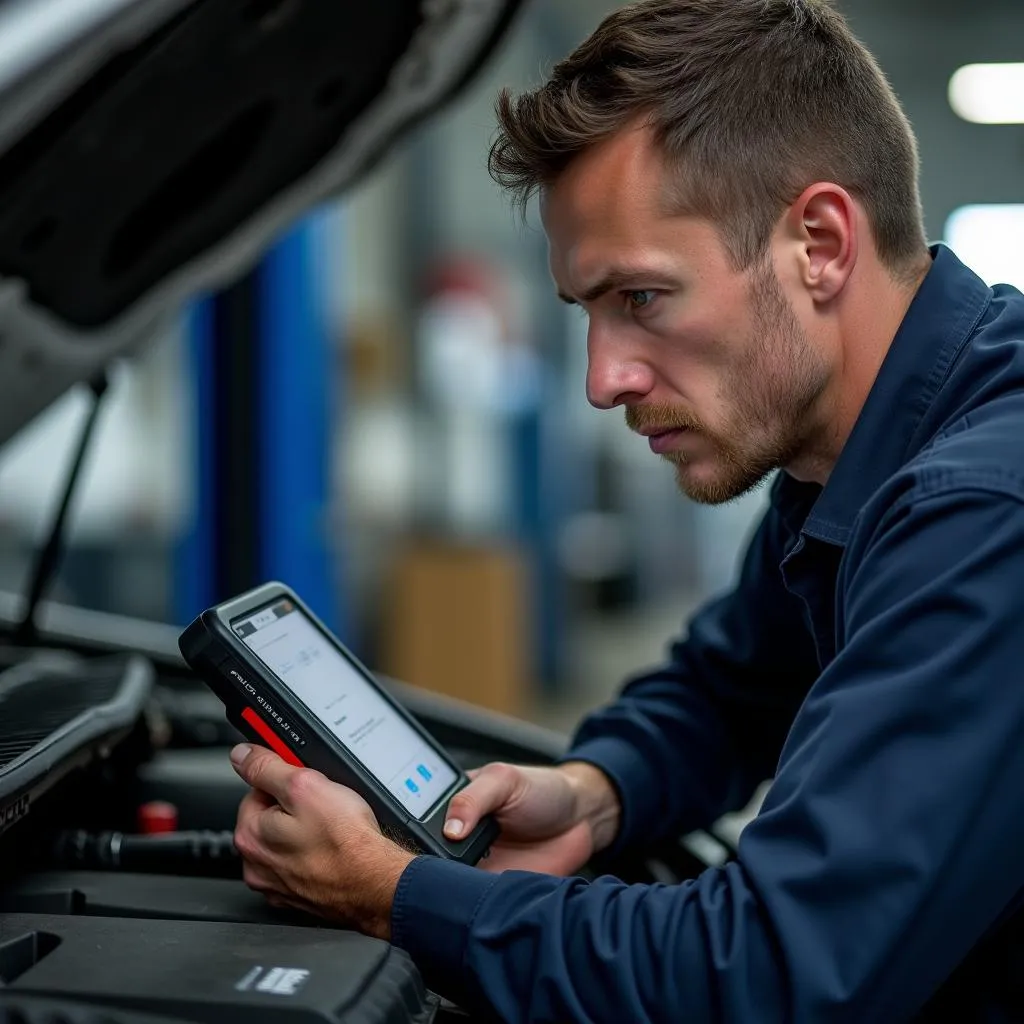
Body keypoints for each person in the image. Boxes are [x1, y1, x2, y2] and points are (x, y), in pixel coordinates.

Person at [226, 0, 1024, 1020]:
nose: (602, 380)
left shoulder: (982, 511)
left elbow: (768, 976)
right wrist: (596, 794)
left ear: (818, 243)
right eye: (586, 313)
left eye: (641, 297)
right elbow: (730, 685)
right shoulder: (860, 451)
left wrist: (394, 895)